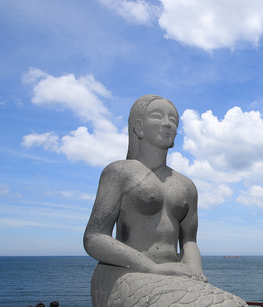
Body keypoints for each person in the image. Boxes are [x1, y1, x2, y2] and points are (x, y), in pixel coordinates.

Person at [83, 94, 206, 281]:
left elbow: (189, 241)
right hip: (127, 273)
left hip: (173, 274)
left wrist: (196, 273)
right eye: (157, 116)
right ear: (138, 127)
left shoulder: (187, 186)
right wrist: (152, 269)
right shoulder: (119, 172)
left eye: (172, 120)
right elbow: (94, 237)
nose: (167, 123)